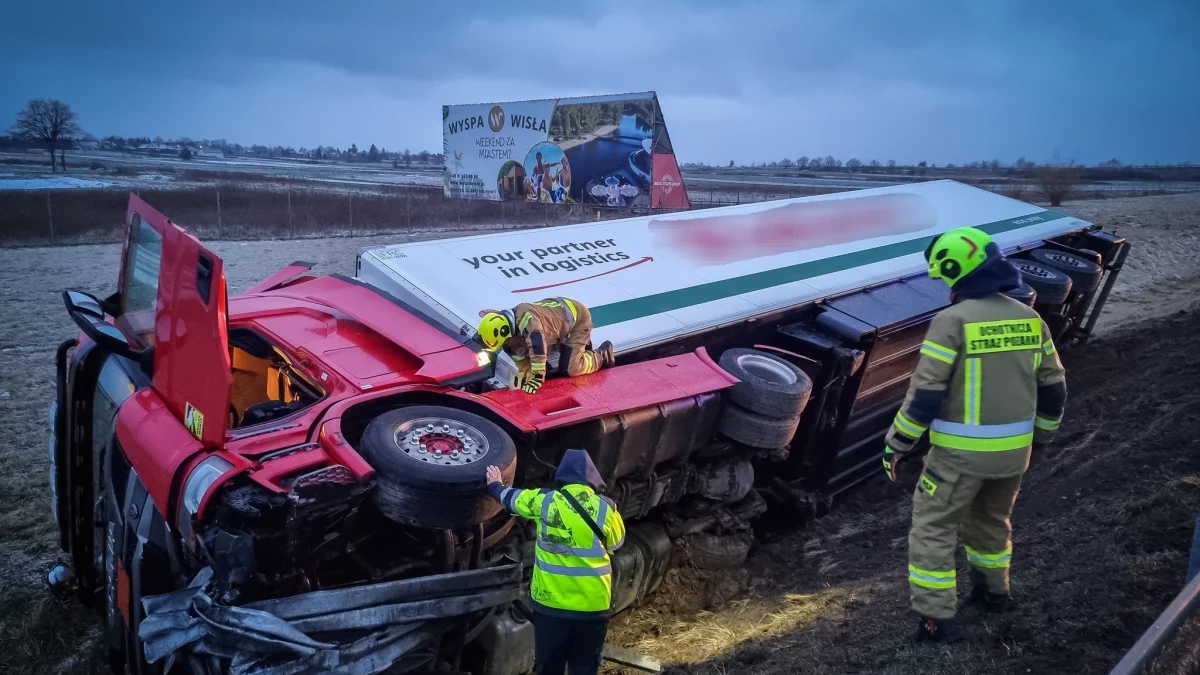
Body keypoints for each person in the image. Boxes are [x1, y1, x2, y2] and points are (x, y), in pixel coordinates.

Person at [882, 227, 1067, 643]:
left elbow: (925, 398)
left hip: (958, 458)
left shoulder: (951, 322)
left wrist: (897, 445)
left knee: (933, 529)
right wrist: (1041, 440)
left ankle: (935, 621)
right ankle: (994, 595)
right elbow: (1055, 390)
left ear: (955, 272)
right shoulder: (1029, 318)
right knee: (991, 522)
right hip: (1013, 456)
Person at [486, 449, 626, 675]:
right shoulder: (605, 508)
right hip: (593, 607)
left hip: (552, 609)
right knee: (585, 667)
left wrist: (494, 485)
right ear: (591, 478)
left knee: (549, 667)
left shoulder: (545, 502)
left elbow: (511, 500)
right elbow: (617, 544)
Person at [478, 297, 615, 394]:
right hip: (556, 320)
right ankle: (569, 345)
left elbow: (537, 348)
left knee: (570, 369)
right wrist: (529, 376)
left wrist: (537, 378)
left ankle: (602, 355)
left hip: (577, 320)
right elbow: (521, 360)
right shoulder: (506, 331)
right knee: (524, 348)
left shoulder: (528, 320)